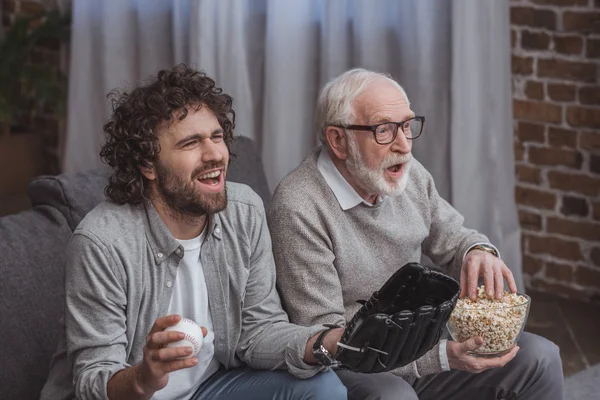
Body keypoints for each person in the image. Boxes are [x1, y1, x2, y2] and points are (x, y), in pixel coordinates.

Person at [39, 65, 348, 400]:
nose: (215, 154)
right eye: (191, 143)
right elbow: (93, 378)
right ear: (148, 165)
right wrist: (143, 378)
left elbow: (258, 330)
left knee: (323, 388)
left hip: (208, 388)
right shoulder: (102, 242)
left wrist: (330, 341)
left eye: (217, 137)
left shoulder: (244, 211)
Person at [267, 68, 564, 400]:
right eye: (384, 130)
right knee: (395, 397)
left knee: (540, 357)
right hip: (351, 366)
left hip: (418, 340)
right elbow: (329, 341)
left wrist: (478, 251)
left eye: (407, 126)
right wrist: (439, 357)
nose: (404, 145)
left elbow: (453, 237)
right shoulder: (299, 207)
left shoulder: (405, 175)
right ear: (338, 140)